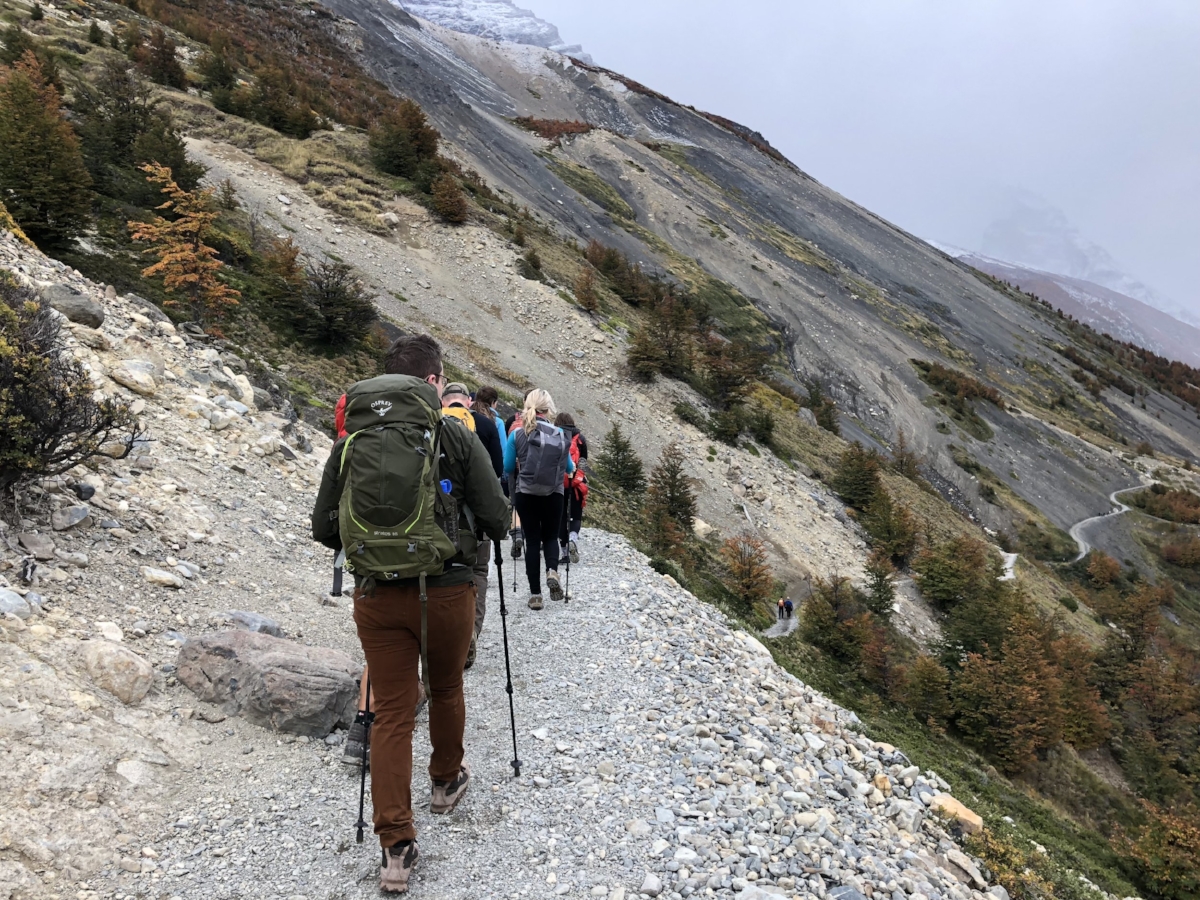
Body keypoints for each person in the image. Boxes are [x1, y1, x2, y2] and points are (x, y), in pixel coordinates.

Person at [311, 334, 509, 893]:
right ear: (433, 381)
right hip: (445, 590)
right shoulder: (451, 430)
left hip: (376, 595)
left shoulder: (352, 439)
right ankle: (445, 783)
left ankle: (395, 846)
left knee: (393, 712)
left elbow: (323, 527)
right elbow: (495, 516)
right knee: (445, 688)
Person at [441, 382, 503, 669]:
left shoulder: (430, 422)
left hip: (437, 519)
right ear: (468, 400)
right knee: (477, 572)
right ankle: (470, 635)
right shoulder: (485, 425)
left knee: (439, 576)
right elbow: (497, 472)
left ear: (444, 400)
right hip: (473, 521)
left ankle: (441, 638)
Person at [503, 389, 574, 609]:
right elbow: (569, 467)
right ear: (548, 408)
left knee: (532, 540)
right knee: (551, 537)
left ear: (527, 406)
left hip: (526, 493)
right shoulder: (560, 434)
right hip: (553, 494)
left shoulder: (517, 434)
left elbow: (506, 467)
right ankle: (552, 570)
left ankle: (535, 596)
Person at [554, 412, 588, 564]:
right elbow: (583, 461)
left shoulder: (554, 434)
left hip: (558, 483)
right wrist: (579, 477)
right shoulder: (580, 438)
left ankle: (565, 552)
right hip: (575, 483)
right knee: (576, 514)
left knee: (560, 517)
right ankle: (573, 538)